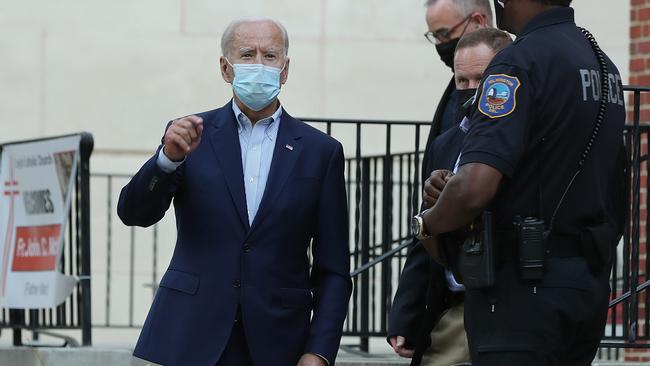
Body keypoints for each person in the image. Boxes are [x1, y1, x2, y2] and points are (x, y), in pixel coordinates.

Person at [118, 17, 352, 366]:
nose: (259, 64)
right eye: (247, 54)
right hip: (191, 334)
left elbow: (333, 268)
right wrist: (167, 160)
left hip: (278, 340)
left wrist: (318, 351)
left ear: (285, 69)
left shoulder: (320, 152)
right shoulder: (189, 134)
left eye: (270, 56)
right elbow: (134, 213)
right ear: (226, 69)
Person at [413, 1, 626, 365]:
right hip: (585, 288)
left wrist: (427, 224)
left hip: (519, 295)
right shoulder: (603, 64)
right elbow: (618, 183)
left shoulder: (518, 61)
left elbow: (476, 185)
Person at [389, 29, 512, 366]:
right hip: (452, 308)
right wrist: (406, 314)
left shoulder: (527, 136)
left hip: (509, 306)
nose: (471, 89)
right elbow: (424, 231)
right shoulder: (446, 143)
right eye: (461, 81)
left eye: (481, 78)